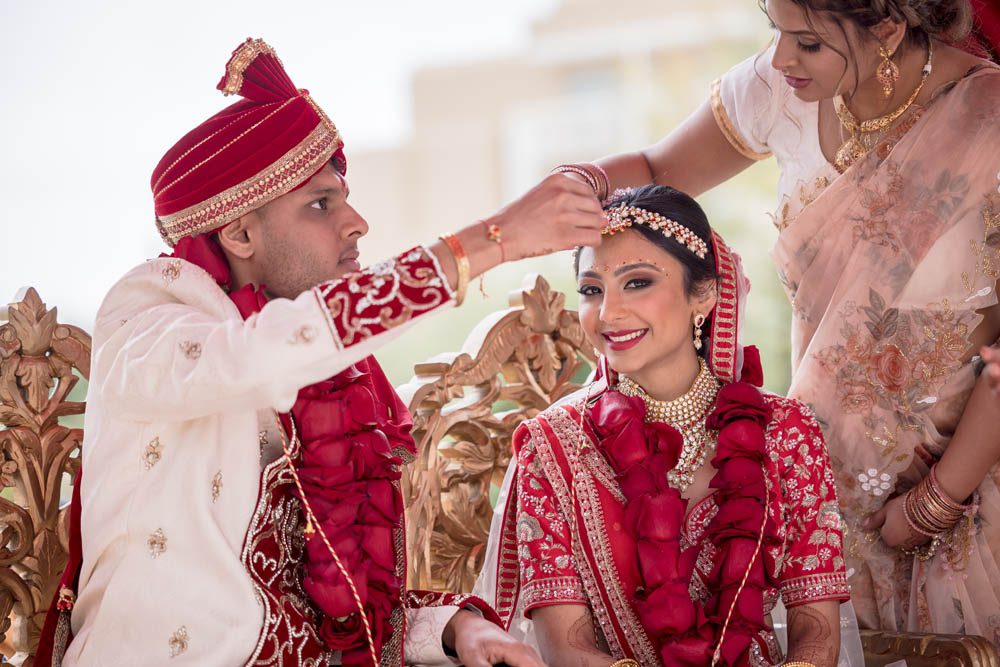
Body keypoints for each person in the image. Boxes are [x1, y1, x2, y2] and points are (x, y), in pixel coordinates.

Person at [35, 38, 604, 666]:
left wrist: (456, 631)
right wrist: (488, 243)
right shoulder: (149, 320)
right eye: (320, 204)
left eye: (343, 197)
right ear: (240, 233)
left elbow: (338, 604)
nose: (356, 222)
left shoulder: (329, 366)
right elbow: (256, 357)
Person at [550, 0, 1000, 642]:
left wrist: (931, 505)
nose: (782, 58)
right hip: (813, 495)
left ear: (890, 28)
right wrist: (565, 190)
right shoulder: (782, 89)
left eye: (810, 43)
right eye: (777, 33)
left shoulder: (988, 120)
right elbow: (655, 172)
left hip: (960, 505)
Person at [476, 185, 852, 667]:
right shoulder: (553, 448)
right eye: (592, 290)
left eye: (637, 282)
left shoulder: (787, 432)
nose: (608, 313)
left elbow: (816, 629)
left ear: (705, 296)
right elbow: (566, 648)